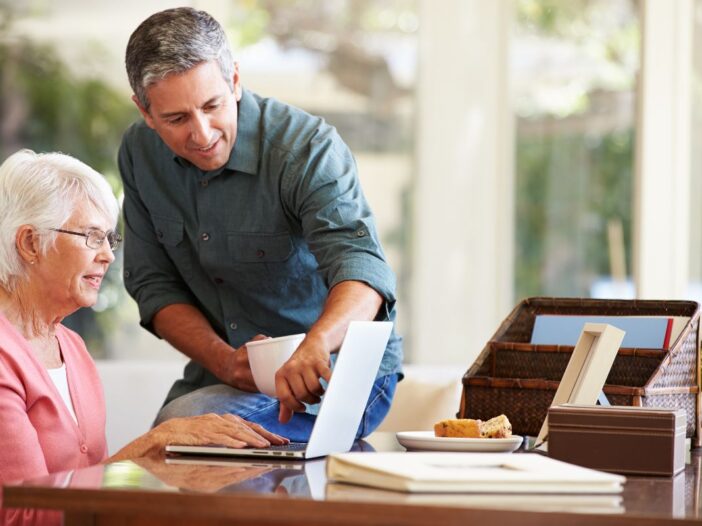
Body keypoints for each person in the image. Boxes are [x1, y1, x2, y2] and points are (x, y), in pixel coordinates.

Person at [120, 7, 403, 441]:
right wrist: (221, 360)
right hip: (219, 377)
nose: (202, 133)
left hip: (341, 373)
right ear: (145, 110)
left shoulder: (306, 148)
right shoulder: (139, 154)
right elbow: (154, 286)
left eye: (212, 106)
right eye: (176, 119)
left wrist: (316, 343)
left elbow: (362, 270)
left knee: (180, 435)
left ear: (234, 80)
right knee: (164, 447)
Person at [0, 149, 288, 493]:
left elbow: (97, 488)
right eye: (92, 236)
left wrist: (178, 464)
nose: (108, 255)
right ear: (30, 243)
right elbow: (25, 513)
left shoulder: (71, 347)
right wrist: (154, 445)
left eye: (110, 238)